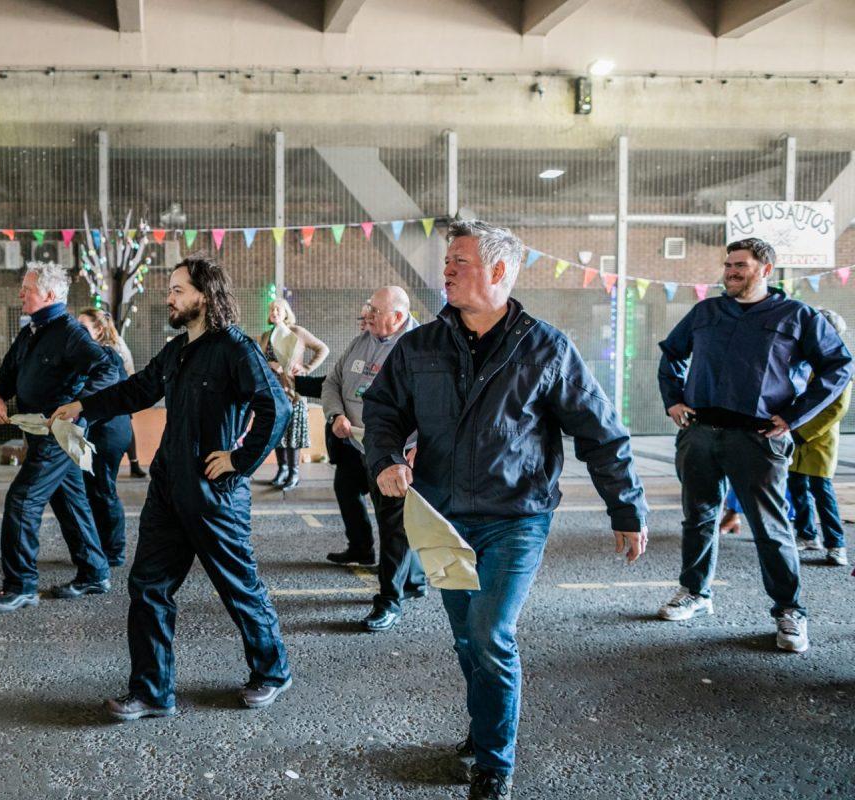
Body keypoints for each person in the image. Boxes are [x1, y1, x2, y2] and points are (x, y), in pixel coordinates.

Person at [363, 220, 648, 799]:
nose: (446, 270)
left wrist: (627, 507)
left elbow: (600, 433)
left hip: (516, 517)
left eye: (460, 261)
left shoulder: (545, 347)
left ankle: (494, 762)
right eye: (447, 261)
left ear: (499, 271)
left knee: (491, 632)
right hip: (441, 516)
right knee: (468, 639)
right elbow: (383, 410)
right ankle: (485, 726)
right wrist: (387, 458)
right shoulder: (420, 345)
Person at [52, 256, 293, 721]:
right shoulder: (177, 350)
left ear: (205, 295)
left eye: (178, 290)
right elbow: (137, 390)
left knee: (238, 587)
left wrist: (239, 462)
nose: (170, 297)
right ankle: (152, 692)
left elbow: (276, 408)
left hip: (213, 493)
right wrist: (83, 405)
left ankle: (273, 671)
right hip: (168, 488)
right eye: (170, 289)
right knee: (148, 587)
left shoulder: (236, 349)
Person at [657, 238, 852, 654]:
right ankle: (695, 592)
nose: (730, 271)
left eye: (740, 264)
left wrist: (795, 416)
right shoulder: (706, 311)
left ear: (765, 269)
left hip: (759, 439)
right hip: (700, 433)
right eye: (727, 264)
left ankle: (789, 611)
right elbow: (672, 354)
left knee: (771, 528)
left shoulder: (796, 315)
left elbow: (838, 365)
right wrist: (673, 399)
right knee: (698, 518)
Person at [0, 263, 115, 613]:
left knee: (22, 501)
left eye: (27, 288)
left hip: (57, 435)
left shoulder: (71, 333)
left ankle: (21, 586)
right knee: (70, 501)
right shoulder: (31, 332)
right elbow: (8, 371)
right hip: (38, 434)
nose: (20, 293)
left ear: (50, 295)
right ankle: (95, 573)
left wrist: (79, 404)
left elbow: (107, 369)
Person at [321, 287, 427, 633]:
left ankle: (389, 600)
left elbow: (436, 406)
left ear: (398, 316)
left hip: (392, 452)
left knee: (394, 525)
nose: (368, 315)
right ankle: (376, 557)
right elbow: (333, 381)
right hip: (356, 445)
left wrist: (420, 445)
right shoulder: (362, 340)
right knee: (347, 490)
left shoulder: (421, 346)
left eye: (375, 310)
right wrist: (336, 414)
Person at [786, 309, 850, 567]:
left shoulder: (840, 361)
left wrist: (802, 432)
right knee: (797, 487)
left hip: (818, 440)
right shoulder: (804, 358)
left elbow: (837, 408)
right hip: (795, 436)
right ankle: (806, 534)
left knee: (822, 492)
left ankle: (837, 545)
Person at [78, 308, 135, 565]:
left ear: (98, 330)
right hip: (104, 428)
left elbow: (104, 395)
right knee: (95, 489)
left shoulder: (107, 355)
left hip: (110, 431)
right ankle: (104, 547)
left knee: (102, 489)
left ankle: (114, 551)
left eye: (82, 327)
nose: (75, 332)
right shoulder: (93, 354)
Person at [259, 298, 329, 490]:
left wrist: (306, 368)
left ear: (286, 312)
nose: (274, 312)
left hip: (294, 391)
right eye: (272, 309)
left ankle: (293, 473)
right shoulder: (265, 336)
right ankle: (282, 470)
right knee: (277, 433)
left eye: (278, 309)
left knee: (293, 435)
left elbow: (323, 349)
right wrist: (270, 365)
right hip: (273, 392)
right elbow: (259, 361)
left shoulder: (297, 332)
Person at [80, 308, 148, 479]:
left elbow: (124, 373)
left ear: (99, 330)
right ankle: (134, 464)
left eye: (82, 326)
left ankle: (134, 463)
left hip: (119, 397)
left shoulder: (112, 349)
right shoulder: (98, 347)